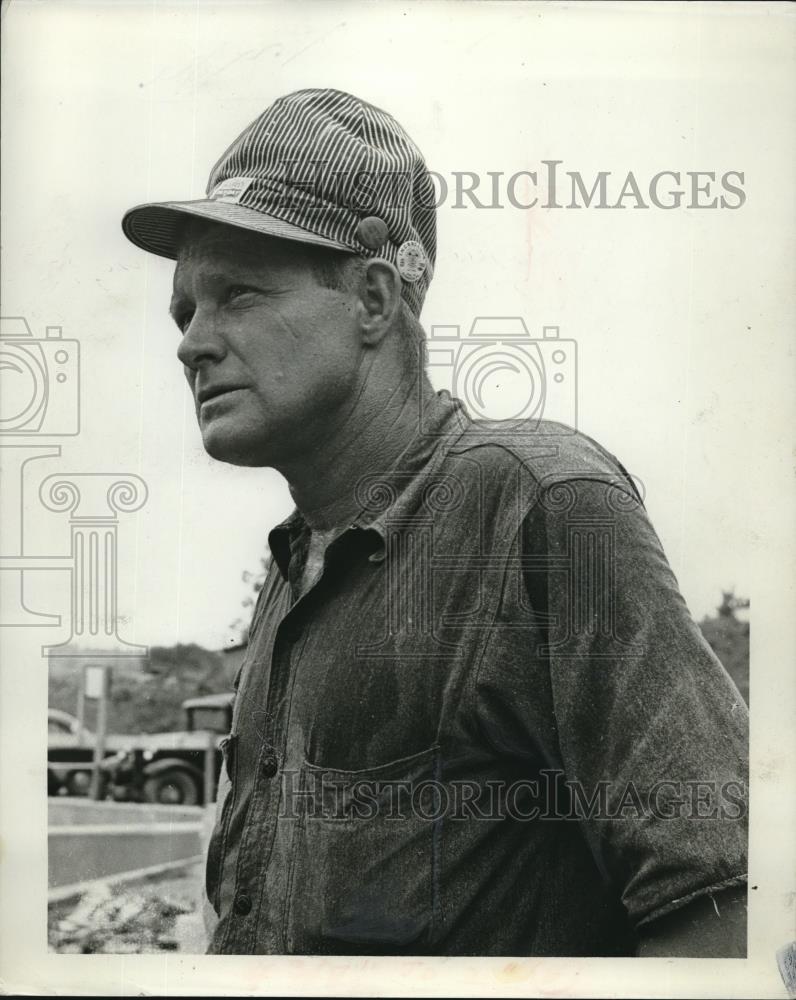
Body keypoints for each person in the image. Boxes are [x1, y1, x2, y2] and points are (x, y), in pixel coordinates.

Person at [122, 88, 748, 956]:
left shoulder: (540, 506)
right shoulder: (295, 565)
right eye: (186, 310)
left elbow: (722, 907)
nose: (192, 340)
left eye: (238, 295)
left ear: (375, 300)